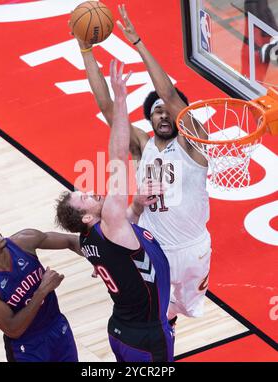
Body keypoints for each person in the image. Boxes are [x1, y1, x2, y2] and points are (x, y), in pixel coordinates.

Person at [72, 4, 211, 326]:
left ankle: (170, 323)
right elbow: (106, 106)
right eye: (157, 111)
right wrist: (85, 49)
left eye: (169, 110)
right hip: (154, 246)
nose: (164, 114)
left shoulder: (194, 143)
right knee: (154, 315)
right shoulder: (142, 146)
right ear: (149, 117)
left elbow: (169, 94)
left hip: (194, 248)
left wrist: (138, 44)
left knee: (181, 310)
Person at [56, 60, 174, 362]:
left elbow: (125, 240)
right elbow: (119, 156)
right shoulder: (107, 221)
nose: (93, 192)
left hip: (122, 331)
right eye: (85, 198)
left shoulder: (91, 238)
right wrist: (120, 100)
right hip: (146, 336)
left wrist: (135, 208)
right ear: (87, 216)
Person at [0, 215, 79, 362]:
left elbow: (72, 241)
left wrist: (100, 261)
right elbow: (13, 329)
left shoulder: (24, 240)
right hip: (27, 348)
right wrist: (42, 291)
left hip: (57, 327)